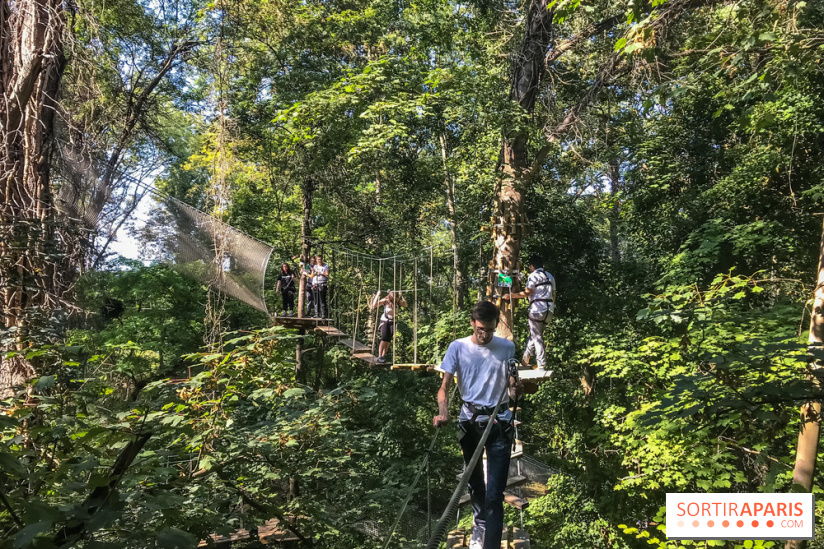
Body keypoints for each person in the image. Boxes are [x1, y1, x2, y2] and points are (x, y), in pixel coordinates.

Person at [433, 301, 523, 549]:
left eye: (490, 330)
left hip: (499, 425)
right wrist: (443, 412)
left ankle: (490, 544)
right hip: (469, 423)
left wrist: (515, 388)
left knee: (495, 494)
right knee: (474, 484)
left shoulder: (506, 347)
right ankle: (480, 526)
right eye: (481, 329)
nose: (485, 335)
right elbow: (444, 388)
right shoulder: (457, 347)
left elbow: (512, 384)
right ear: (472, 323)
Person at [510, 254, 555, 374]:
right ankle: (526, 357)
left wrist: (510, 296)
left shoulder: (533, 276)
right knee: (536, 334)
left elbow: (526, 293)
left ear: (532, 266)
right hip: (549, 310)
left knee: (537, 337)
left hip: (537, 309)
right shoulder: (550, 276)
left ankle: (541, 364)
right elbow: (554, 294)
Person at [371, 290, 407, 364]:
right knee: (384, 338)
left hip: (393, 322)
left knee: (388, 339)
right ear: (390, 295)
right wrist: (378, 295)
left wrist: (401, 296)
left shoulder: (397, 301)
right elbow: (374, 305)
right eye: (392, 296)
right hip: (385, 321)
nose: (394, 297)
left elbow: (405, 305)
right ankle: (379, 356)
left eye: (395, 296)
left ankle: (383, 356)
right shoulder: (386, 300)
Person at [313, 254, 330, 319]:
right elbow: (312, 274)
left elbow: (327, 273)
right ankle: (316, 313)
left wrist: (320, 273)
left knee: (322, 300)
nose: (319, 261)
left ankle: (323, 314)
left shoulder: (325, 266)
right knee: (316, 300)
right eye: (318, 259)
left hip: (322, 284)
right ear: (316, 260)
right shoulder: (315, 266)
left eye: (320, 259)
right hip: (315, 284)